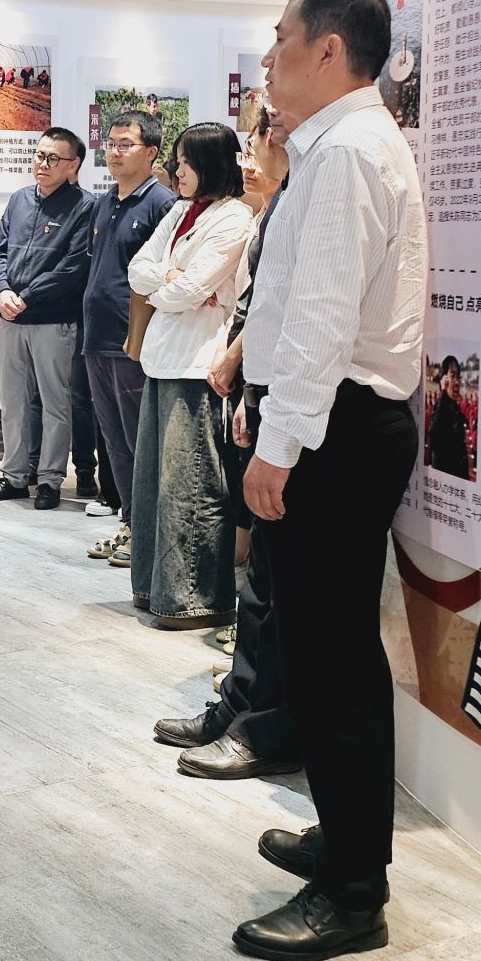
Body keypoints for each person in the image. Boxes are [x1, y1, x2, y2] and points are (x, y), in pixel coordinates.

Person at [231, 0, 427, 961]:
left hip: (334, 432)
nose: (268, 59)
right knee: (321, 654)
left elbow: (321, 318)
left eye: (280, 40)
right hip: (327, 423)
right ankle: (344, 836)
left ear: (326, 51)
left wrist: (279, 444)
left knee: (333, 661)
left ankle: (353, 891)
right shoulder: (335, 145)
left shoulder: (348, 151)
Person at [156, 110, 305, 780]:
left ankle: (264, 727)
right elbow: (261, 304)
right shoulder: (278, 204)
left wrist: (243, 367)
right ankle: (240, 707)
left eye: (258, 137)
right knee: (263, 586)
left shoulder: (307, 194)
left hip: (303, 413)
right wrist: (248, 385)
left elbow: (302, 311)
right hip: (262, 395)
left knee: (280, 590)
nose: (249, 155)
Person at [126, 123, 252, 626]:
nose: (176, 171)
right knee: (153, 485)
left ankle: (194, 600)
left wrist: (174, 286)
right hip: (163, 357)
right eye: (176, 161)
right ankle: (153, 589)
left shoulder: (234, 217)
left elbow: (185, 290)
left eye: (185, 162)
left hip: (200, 363)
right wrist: (173, 282)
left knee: (191, 486)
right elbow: (138, 269)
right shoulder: (180, 211)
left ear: (212, 164)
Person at [80, 109, 179, 565]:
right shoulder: (103, 203)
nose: (114, 152)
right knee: (114, 441)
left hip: (133, 341)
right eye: (111, 143)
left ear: (152, 152)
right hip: (96, 338)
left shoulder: (162, 204)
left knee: (141, 442)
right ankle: (130, 523)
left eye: (126, 144)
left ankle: (149, 532)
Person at [0, 129, 93, 510]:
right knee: (12, 401)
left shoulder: (84, 207)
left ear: (73, 166)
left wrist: (26, 296)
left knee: (55, 402)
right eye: (39, 155)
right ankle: (14, 476)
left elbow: (71, 268)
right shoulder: (19, 200)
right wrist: (2, 290)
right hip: (10, 318)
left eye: (53, 158)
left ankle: (49, 480)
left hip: (52, 321)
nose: (43, 164)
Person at [426, 356, 473, 479]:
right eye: (453, 376)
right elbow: (435, 438)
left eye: (459, 377)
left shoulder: (457, 411)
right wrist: (443, 393)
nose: (457, 382)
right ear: (444, 380)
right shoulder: (438, 409)